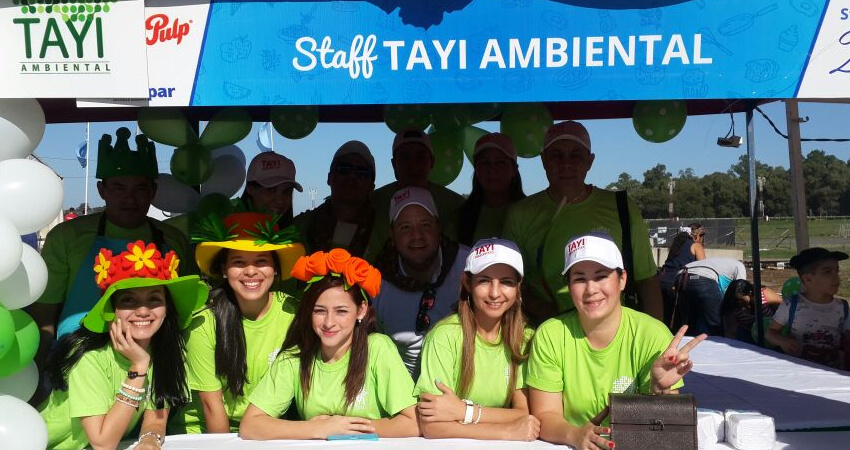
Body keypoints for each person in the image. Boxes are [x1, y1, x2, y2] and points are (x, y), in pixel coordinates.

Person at [30, 128, 194, 391]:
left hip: (154, 369)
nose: (129, 198)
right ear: (101, 189)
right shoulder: (66, 237)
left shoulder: (173, 239)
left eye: (140, 188)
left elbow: (184, 313)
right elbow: (44, 318)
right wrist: (39, 380)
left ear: (153, 191)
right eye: (118, 187)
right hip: (77, 367)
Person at [527, 233, 706, 450]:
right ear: (569, 286)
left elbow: (663, 429)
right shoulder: (551, 334)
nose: (591, 289)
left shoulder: (653, 334)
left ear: (622, 280)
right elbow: (545, 416)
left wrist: (660, 391)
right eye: (579, 278)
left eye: (601, 276)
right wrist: (575, 435)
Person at [39, 241, 208, 450]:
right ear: (113, 310)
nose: (143, 311)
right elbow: (102, 442)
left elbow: (156, 418)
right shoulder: (88, 354)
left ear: (167, 308)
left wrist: (149, 440)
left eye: (154, 299)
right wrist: (138, 368)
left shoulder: (168, 350)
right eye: (129, 300)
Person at [239, 250, 419, 439]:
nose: (329, 322)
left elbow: (413, 422)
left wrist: (345, 429)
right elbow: (250, 426)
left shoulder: (377, 348)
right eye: (319, 311)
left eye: (341, 311)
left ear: (361, 311)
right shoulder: (294, 358)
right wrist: (319, 429)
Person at [503, 121, 662, 326]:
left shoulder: (621, 207)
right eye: (556, 155)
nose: (566, 163)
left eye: (576, 155)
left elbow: (646, 279)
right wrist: (547, 313)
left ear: (589, 161)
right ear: (544, 160)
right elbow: (509, 283)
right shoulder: (520, 214)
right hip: (545, 332)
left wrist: (658, 340)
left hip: (612, 333)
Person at [170, 212, 305, 433]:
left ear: (276, 268)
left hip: (264, 431)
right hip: (205, 435)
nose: (251, 271)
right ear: (224, 269)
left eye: (261, 261)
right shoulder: (203, 321)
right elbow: (211, 407)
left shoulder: (295, 313)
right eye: (238, 262)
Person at [415, 238, 539, 441]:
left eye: (506, 282)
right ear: (467, 282)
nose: (495, 293)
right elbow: (431, 425)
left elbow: (524, 414)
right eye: (484, 280)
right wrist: (505, 430)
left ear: (518, 287)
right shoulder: (444, 336)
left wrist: (463, 412)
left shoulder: (525, 338)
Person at [372, 187, 470, 378]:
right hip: (401, 395)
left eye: (425, 225)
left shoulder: (469, 265)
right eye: (405, 227)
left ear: (438, 227)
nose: (417, 236)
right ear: (392, 234)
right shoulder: (375, 281)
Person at [366, 128, 465, 261]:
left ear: (432, 162)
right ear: (394, 164)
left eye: (420, 157)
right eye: (405, 157)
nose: (413, 165)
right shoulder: (373, 203)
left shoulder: (456, 205)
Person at [767, 248, 850, 369]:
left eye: (837, 270)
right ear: (807, 279)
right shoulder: (791, 305)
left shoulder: (843, 307)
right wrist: (782, 341)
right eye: (827, 272)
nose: (836, 277)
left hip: (831, 372)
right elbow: (770, 332)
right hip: (798, 370)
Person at [293, 141, 376, 256]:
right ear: (329, 177)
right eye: (344, 168)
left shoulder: (386, 229)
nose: (351, 176)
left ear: (371, 187)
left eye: (362, 172)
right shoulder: (298, 228)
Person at [457, 133, 526, 246]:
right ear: (476, 169)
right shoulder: (460, 217)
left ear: (514, 169)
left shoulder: (531, 213)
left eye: (500, 162)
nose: (492, 170)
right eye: (485, 162)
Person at [673, 257, 747, 336]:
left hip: (681, 276)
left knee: (689, 322)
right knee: (717, 320)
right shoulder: (739, 265)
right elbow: (741, 287)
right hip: (702, 278)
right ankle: (719, 344)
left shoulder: (718, 263)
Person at [659, 223, 706, 325]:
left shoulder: (677, 245)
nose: (702, 239)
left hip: (662, 280)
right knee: (678, 320)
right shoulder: (696, 246)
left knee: (663, 317)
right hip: (677, 283)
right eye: (702, 236)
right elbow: (703, 268)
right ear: (697, 235)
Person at [241, 151, 303, 228]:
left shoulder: (297, 232)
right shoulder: (227, 232)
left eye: (287, 191)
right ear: (250, 189)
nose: (280, 201)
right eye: (271, 190)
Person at [721, 279, 781, 344]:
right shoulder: (734, 306)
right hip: (748, 335)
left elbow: (783, 310)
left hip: (773, 333)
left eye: (741, 299)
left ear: (749, 293)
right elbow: (730, 331)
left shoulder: (763, 295)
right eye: (736, 300)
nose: (739, 303)